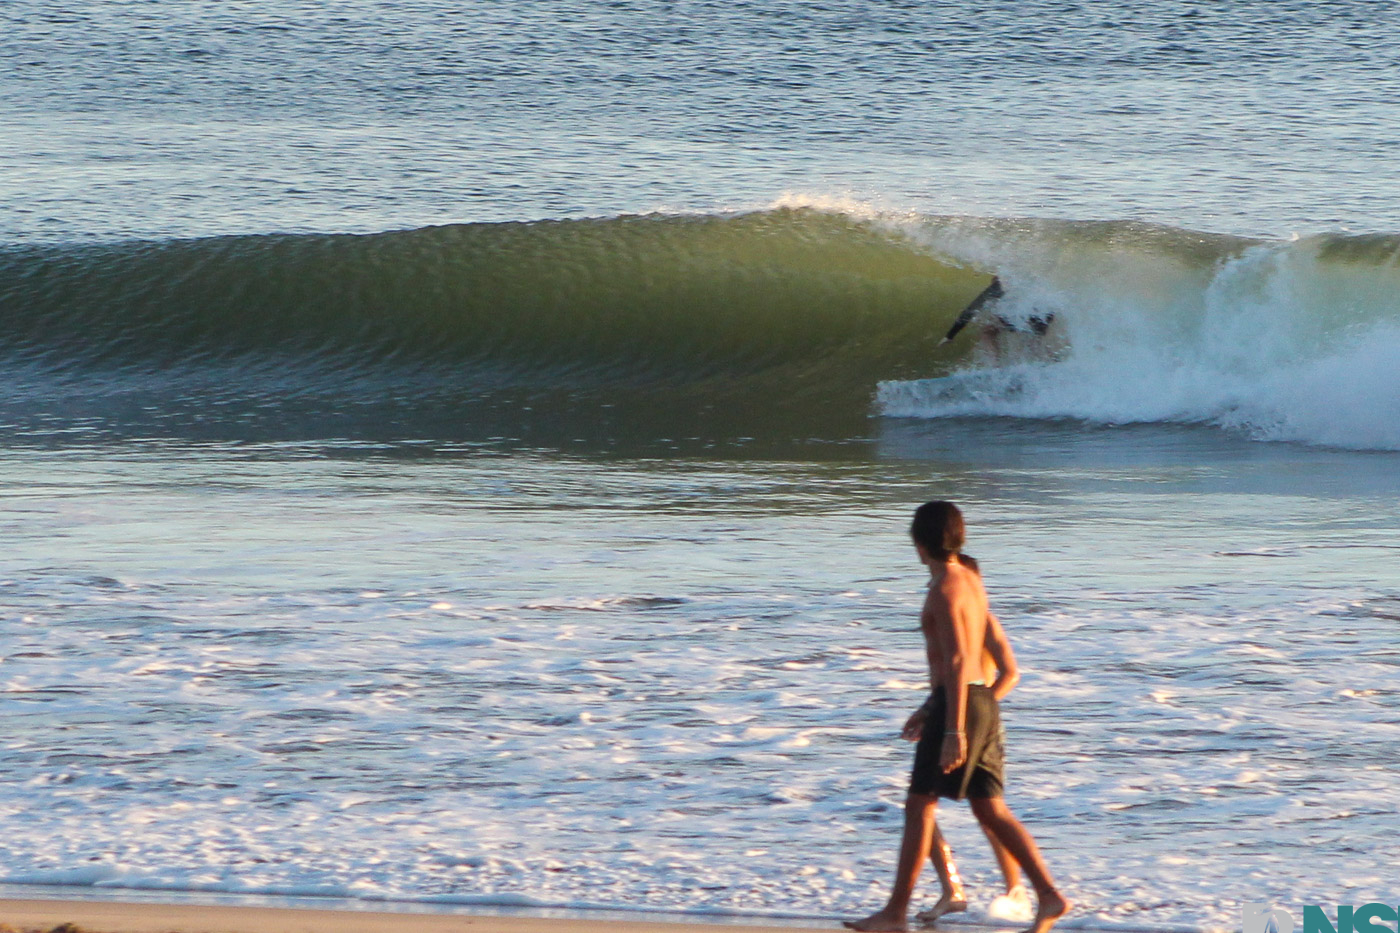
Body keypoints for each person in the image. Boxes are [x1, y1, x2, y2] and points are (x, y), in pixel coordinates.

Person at [845, 502, 1069, 933]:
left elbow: (959, 657)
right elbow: (978, 659)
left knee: (918, 806)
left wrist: (951, 727)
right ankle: (1048, 894)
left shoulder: (943, 587)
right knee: (989, 809)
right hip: (981, 700)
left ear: (919, 542)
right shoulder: (970, 580)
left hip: (960, 704)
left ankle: (894, 914)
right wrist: (933, 708)